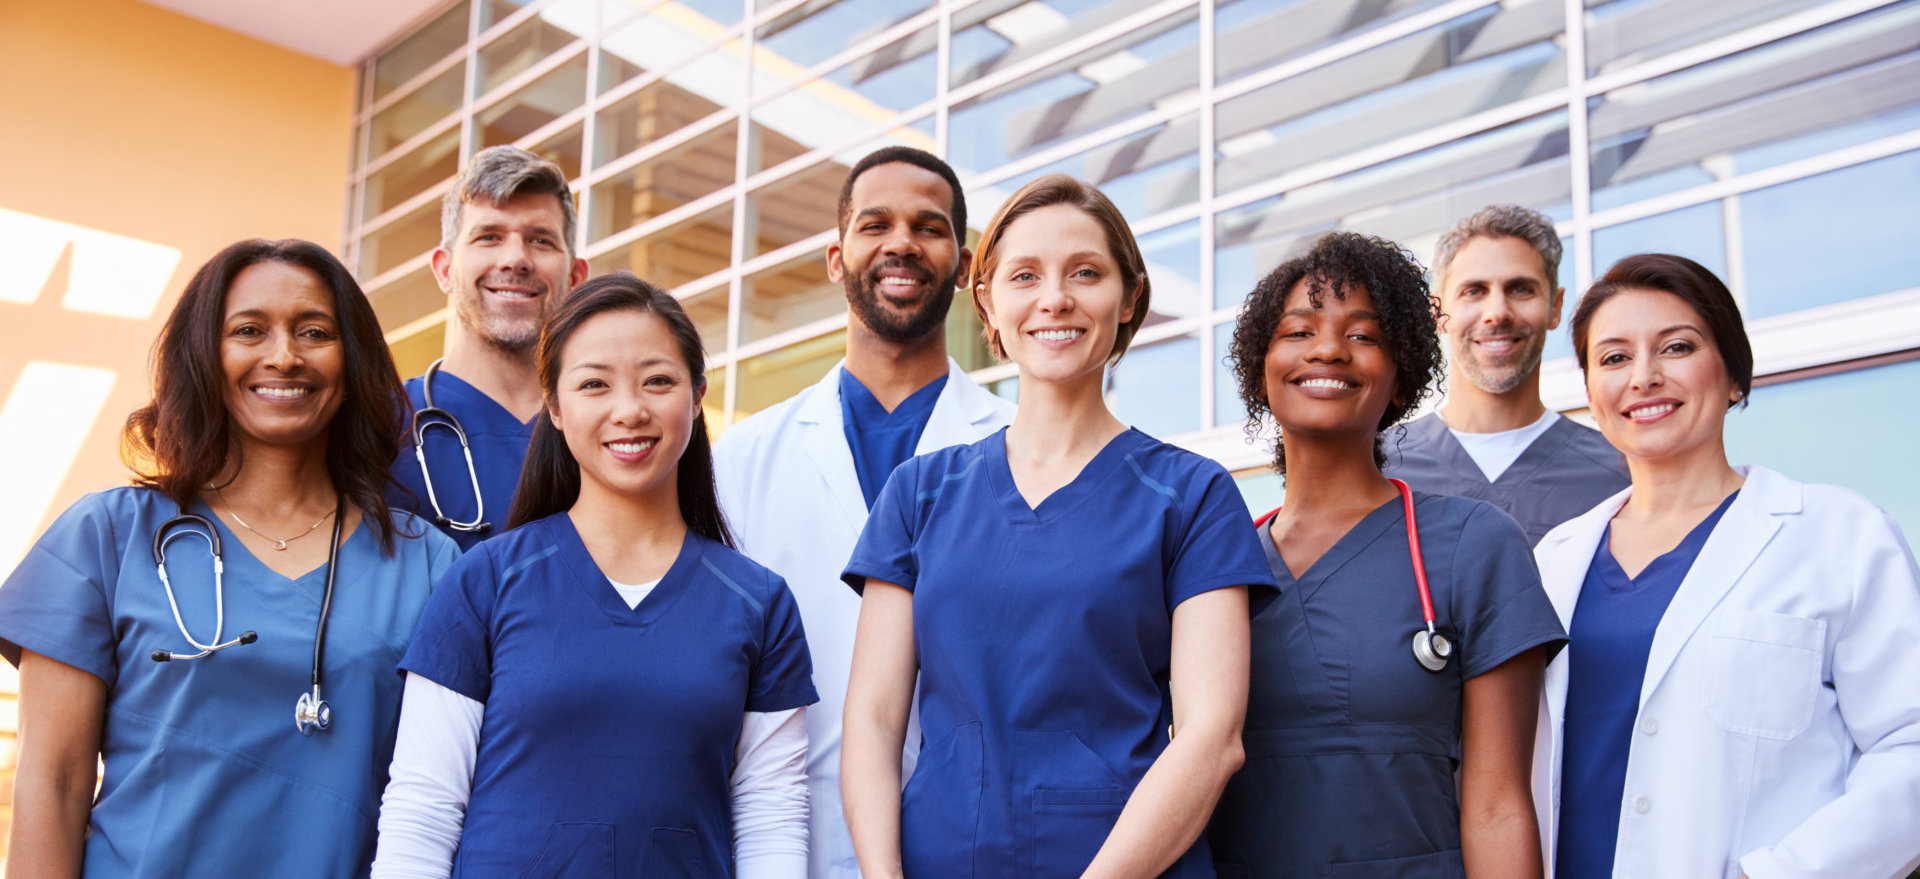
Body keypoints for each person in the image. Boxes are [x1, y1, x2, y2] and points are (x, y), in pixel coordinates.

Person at [839, 174, 1274, 879]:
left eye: (1085, 272)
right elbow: (873, 721)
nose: (1055, 299)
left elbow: (1213, 736)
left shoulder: (1193, 495)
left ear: (1129, 295)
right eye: (1025, 275)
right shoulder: (920, 492)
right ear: (988, 301)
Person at [0, 239, 459, 879]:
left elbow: (438, 799)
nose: (284, 356)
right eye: (248, 330)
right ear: (203, 357)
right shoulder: (106, 538)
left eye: (315, 332)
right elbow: (54, 784)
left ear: (351, 362)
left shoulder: (428, 563)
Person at [372, 273, 818, 878]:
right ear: (553, 405)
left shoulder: (758, 603)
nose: (629, 410)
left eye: (658, 381)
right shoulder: (486, 582)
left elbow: (770, 818)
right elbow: (423, 809)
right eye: (594, 385)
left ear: (696, 396)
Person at [1532, 254, 1920, 879]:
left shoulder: (1839, 537)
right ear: (1591, 394)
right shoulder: (1553, 560)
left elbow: (1910, 748)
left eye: (1676, 347)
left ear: (1734, 375)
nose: (1644, 377)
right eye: (1613, 358)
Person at [1208, 232, 1565, 878]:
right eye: (1297, 331)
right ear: (1261, 371)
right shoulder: (1217, 567)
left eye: (1364, 335)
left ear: (1401, 376)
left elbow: (1498, 805)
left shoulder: (1474, 545)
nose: (1327, 348)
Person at [712, 145, 1015, 878]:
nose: (902, 242)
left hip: (980, 839)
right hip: (787, 843)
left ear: (966, 264)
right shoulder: (742, 458)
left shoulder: (1017, 448)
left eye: (929, 226)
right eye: (875, 223)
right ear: (835, 257)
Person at [1383, 205, 1628, 545]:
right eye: (1474, 291)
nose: (1497, 313)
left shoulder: (1621, 474)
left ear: (1555, 307)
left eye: (1520, 289)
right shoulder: (1376, 466)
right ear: (1438, 311)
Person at [389, 145, 589, 549]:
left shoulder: (606, 427)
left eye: (541, 240)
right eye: (489, 237)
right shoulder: (378, 426)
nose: (515, 259)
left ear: (576, 277)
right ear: (445, 270)